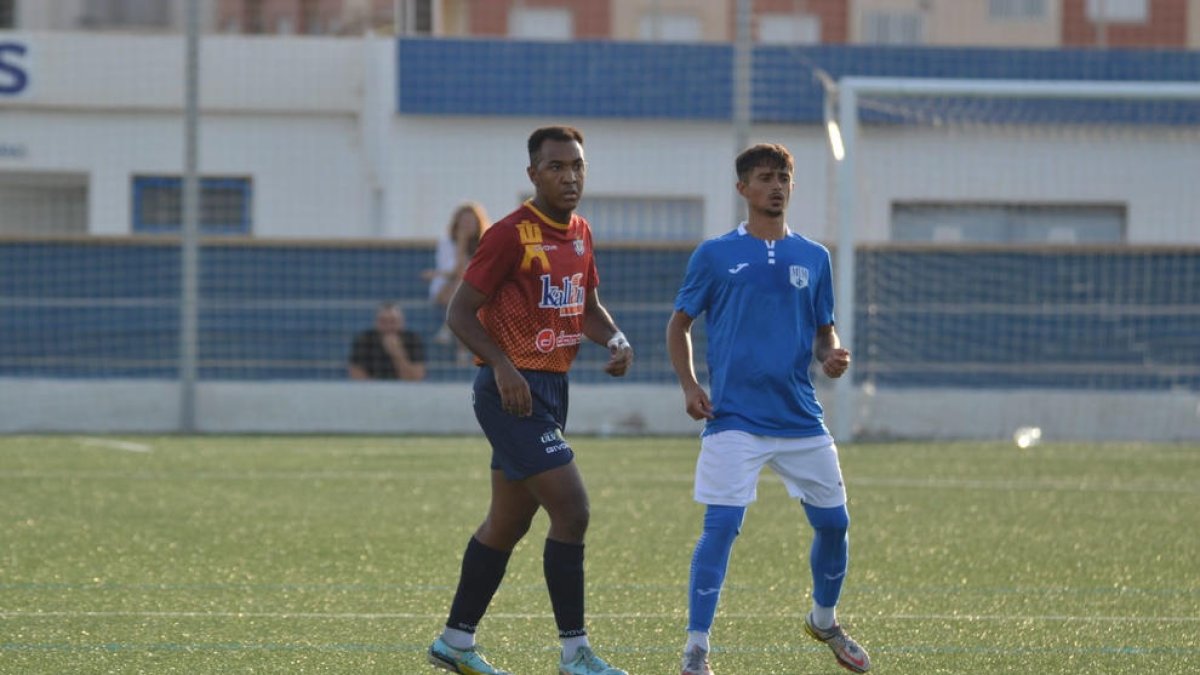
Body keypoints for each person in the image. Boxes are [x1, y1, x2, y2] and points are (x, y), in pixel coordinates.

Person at [427, 125, 634, 675]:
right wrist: (501, 366)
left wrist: (614, 338)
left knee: (506, 524)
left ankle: (454, 642)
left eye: (577, 166)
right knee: (573, 509)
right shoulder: (509, 235)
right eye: (556, 167)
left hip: (550, 388)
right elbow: (459, 312)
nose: (570, 176)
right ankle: (575, 653)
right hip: (509, 394)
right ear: (533, 174)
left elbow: (585, 305)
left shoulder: (582, 233)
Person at [666, 143, 871, 674]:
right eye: (764, 178)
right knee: (721, 526)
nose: (776, 186)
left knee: (834, 525)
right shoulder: (714, 254)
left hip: (800, 419)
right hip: (733, 418)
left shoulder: (814, 257)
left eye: (783, 177)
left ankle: (824, 621)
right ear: (743, 189)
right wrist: (690, 387)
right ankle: (696, 648)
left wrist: (831, 356)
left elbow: (824, 334)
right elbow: (679, 325)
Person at [424, 202, 491, 349]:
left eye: (471, 221)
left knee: (465, 290)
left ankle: (448, 330)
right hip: (446, 288)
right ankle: (460, 350)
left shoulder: (486, 242)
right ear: (457, 223)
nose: (467, 225)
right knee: (461, 283)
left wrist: (436, 274)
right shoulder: (447, 242)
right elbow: (455, 271)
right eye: (464, 222)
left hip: (472, 288)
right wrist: (461, 243)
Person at [347, 301, 426, 381]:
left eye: (393, 321)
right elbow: (356, 375)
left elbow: (416, 378)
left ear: (402, 323)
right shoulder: (364, 339)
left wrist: (397, 353)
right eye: (383, 321)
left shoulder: (412, 339)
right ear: (376, 323)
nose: (388, 326)